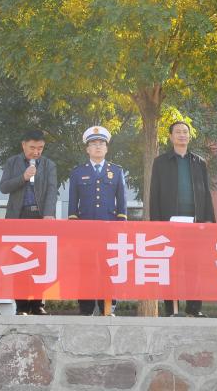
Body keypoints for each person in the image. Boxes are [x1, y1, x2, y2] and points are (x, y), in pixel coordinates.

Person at [149, 120, 214, 317]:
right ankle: (172, 309)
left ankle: (194, 308)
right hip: (170, 222)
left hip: (195, 222)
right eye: (178, 132)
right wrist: (156, 222)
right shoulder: (161, 162)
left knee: (194, 266)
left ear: (189, 136)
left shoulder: (199, 162)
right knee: (170, 266)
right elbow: (154, 193)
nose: (182, 135)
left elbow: (206, 192)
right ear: (171, 137)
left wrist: (209, 219)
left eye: (185, 132)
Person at [68, 126, 127, 316]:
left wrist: (121, 225)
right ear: (87, 149)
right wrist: (74, 227)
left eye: (101, 143)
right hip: (84, 230)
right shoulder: (78, 172)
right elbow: (72, 204)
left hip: (109, 229)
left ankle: (107, 307)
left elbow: (122, 202)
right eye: (93, 144)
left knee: (109, 268)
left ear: (107, 148)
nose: (98, 146)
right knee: (85, 268)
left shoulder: (116, 171)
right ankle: (85, 308)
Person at [0, 128, 58, 315]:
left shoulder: (49, 165)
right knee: (20, 262)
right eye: (32, 147)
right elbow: (4, 187)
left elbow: (52, 190)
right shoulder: (13, 162)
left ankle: (38, 304)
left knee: (40, 262)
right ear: (23, 145)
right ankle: (22, 306)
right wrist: (23, 177)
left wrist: (48, 214)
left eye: (40, 148)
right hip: (18, 217)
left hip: (40, 218)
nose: (36, 152)